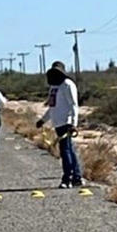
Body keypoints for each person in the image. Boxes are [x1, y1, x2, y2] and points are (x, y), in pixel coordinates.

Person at [36, 61, 83, 189]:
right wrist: (43, 120)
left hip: (66, 123)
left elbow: (74, 105)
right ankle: (77, 177)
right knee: (69, 150)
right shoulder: (53, 87)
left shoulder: (67, 85)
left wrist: (73, 123)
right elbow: (52, 107)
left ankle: (67, 178)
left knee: (65, 151)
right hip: (57, 123)